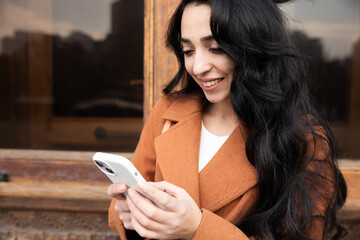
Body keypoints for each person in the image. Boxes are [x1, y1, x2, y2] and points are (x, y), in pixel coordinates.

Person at [107, 0, 347, 239]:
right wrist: (129, 215)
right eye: (188, 51)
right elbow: (127, 202)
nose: (198, 67)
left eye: (216, 48)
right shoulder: (169, 111)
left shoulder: (303, 139)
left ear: (254, 46)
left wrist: (197, 228)